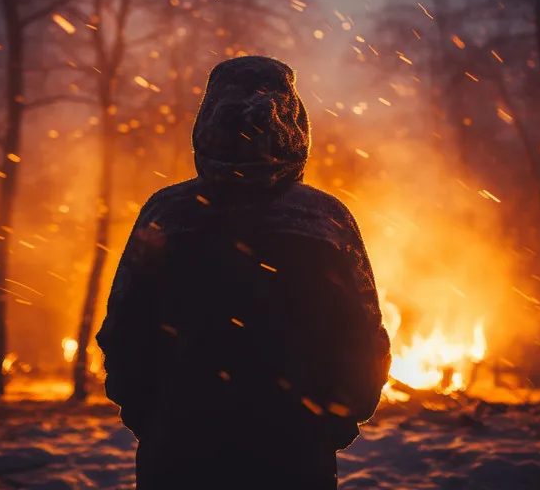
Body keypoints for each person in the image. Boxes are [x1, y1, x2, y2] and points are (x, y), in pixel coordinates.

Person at [96, 55, 391, 490]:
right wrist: (332, 424)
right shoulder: (326, 221)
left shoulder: (167, 214)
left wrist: (153, 419)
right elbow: (365, 341)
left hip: (179, 455)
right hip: (293, 457)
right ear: (292, 124)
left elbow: (123, 332)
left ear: (208, 119)